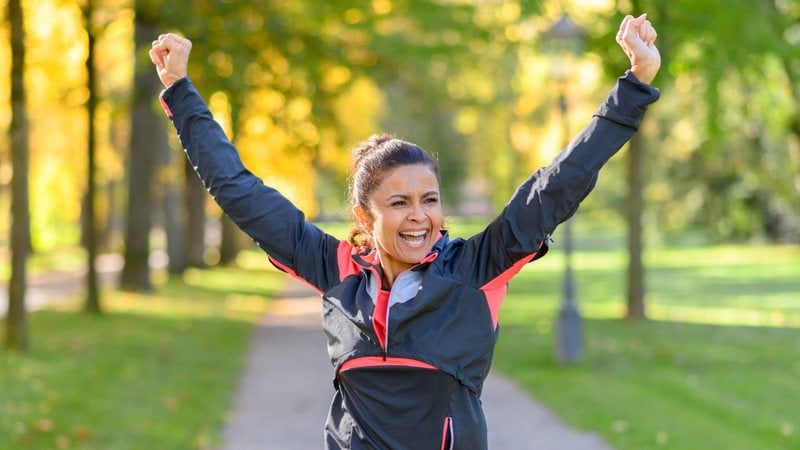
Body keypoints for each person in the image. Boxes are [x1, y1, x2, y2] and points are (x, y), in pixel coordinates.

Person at [150, 13, 660, 450]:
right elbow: (239, 191)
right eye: (399, 203)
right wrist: (180, 90)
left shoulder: (476, 270)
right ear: (364, 217)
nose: (419, 216)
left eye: (429, 200)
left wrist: (633, 87)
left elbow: (556, 186)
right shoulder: (338, 271)